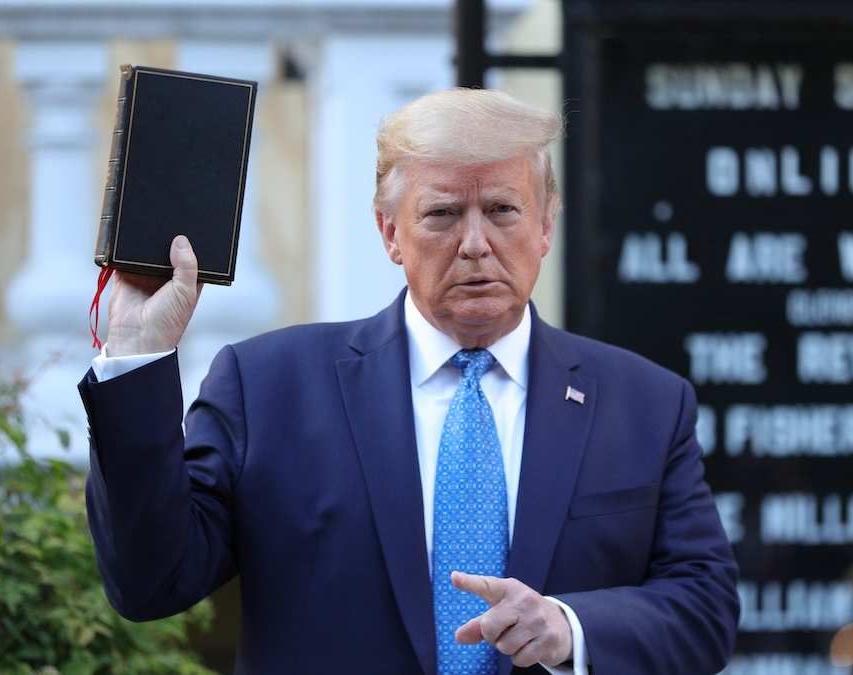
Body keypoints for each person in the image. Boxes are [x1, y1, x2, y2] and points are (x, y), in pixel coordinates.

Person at [78, 88, 739, 674]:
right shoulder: (269, 386)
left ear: (545, 225)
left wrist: (569, 627)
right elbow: (150, 581)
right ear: (390, 231)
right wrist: (138, 352)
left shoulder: (645, 403)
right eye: (443, 214)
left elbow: (705, 608)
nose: (475, 243)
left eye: (504, 210)